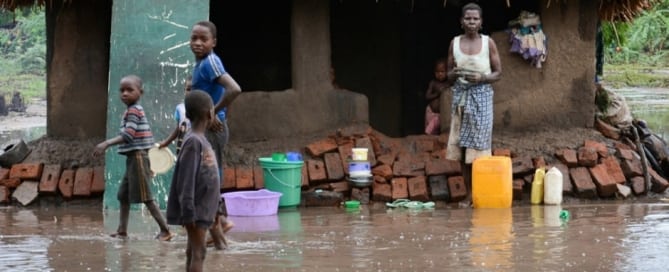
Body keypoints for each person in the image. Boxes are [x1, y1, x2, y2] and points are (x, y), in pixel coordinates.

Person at [92, 75, 174, 241]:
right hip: (133, 158)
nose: (125, 93)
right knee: (123, 195)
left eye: (130, 90)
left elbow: (128, 136)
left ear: (140, 92)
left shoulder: (134, 111)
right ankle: (122, 230)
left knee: (146, 196)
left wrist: (106, 143)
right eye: (122, 90)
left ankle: (166, 230)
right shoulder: (131, 110)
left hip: (138, 157)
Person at [189, 20, 241, 249]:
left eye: (204, 39)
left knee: (208, 181)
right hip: (205, 129)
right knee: (207, 179)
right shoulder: (200, 64)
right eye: (194, 38)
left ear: (214, 42)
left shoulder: (210, 62)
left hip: (212, 129)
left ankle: (221, 230)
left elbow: (234, 89)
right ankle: (220, 231)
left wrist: (213, 112)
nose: (198, 43)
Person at [445, 3, 502, 188]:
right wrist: (453, 75)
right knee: (462, 146)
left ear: (481, 22)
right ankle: (469, 191)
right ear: (461, 21)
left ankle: (480, 190)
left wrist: (482, 77)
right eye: (468, 19)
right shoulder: (454, 43)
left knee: (479, 146)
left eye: (475, 19)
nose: (471, 22)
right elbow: (448, 74)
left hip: (482, 98)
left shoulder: (488, 43)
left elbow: (498, 73)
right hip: (461, 98)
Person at [166, 90, 221, 272]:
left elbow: (207, 178)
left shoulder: (201, 140)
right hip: (195, 211)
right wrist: (188, 212)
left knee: (193, 252)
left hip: (203, 209)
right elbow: (186, 180)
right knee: (199, 253)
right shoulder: (193, 142)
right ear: (210, 113)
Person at [158, 75, 192, 155]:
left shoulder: (202, 108)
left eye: (195, 89)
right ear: (184, 90)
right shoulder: (180, 108)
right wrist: (166, 142)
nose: (191, 92)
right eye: (188, 89)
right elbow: (178, 129)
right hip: (182, 150)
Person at [425, 58, 450, 135]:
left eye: (442, 72)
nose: (440, 74)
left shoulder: (448, 83)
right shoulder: (433, 83)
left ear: (447, 72)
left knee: (435, 128)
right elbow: (427, 96)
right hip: (430, 111)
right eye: (437, 72)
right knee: (430, 127)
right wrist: (437, 94)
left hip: (440, 114)